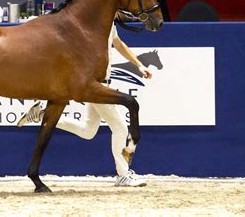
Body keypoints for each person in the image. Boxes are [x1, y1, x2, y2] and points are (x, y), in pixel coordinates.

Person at [17, 20, 151, 187]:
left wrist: (139, 65)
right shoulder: (91, 25)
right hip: (97, 86)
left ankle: (42, 115)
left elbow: (119, 43)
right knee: (120, 128)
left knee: (88, 131)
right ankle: (123, 175)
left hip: (101, 84)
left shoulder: (110, 25)